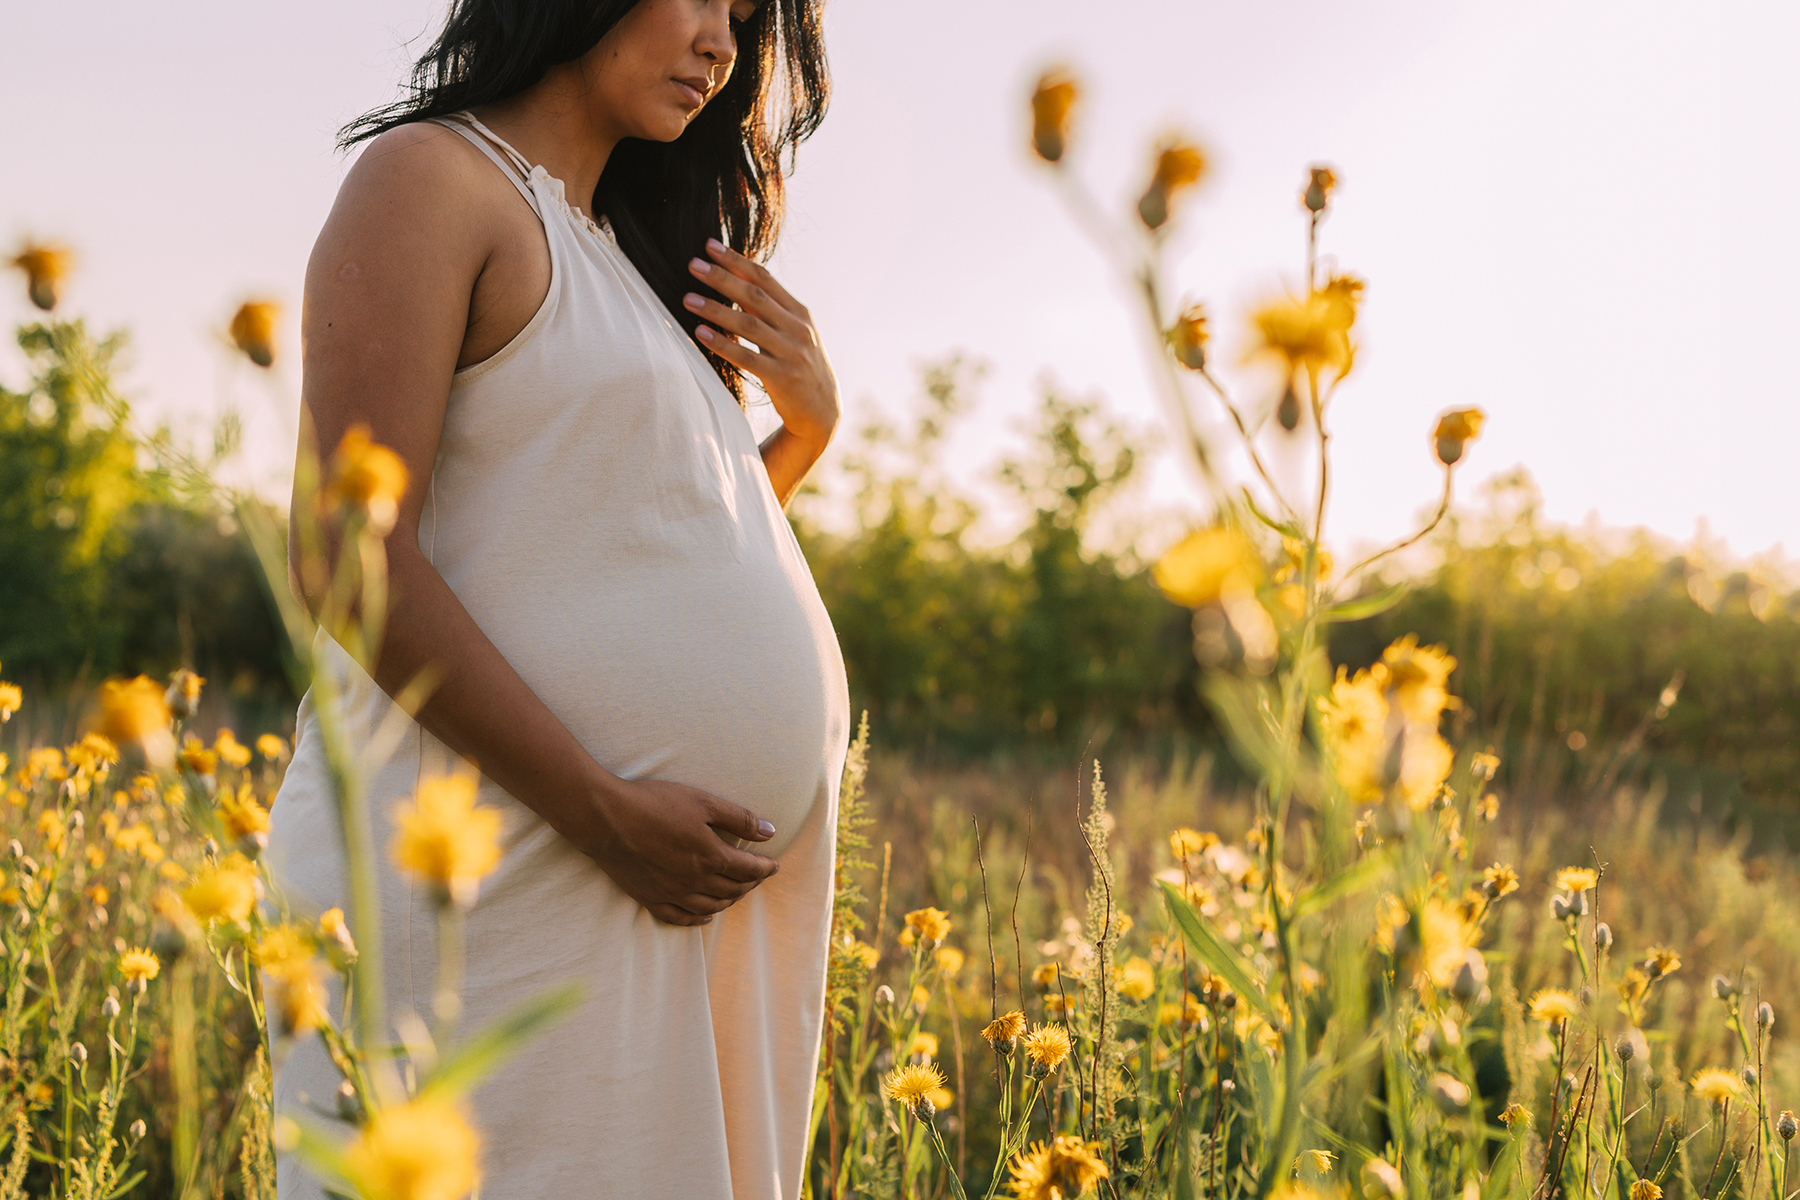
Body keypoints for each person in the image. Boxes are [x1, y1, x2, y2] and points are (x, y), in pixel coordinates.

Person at [263, 0, 846, 1194]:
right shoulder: (434, 180)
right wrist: (598, 805)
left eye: (744, 17)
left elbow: (634, 542)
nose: (726, 46)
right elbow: (346, 557)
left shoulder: (620, 264)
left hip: (636, 893)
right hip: (504, 876)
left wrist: (808, 432)